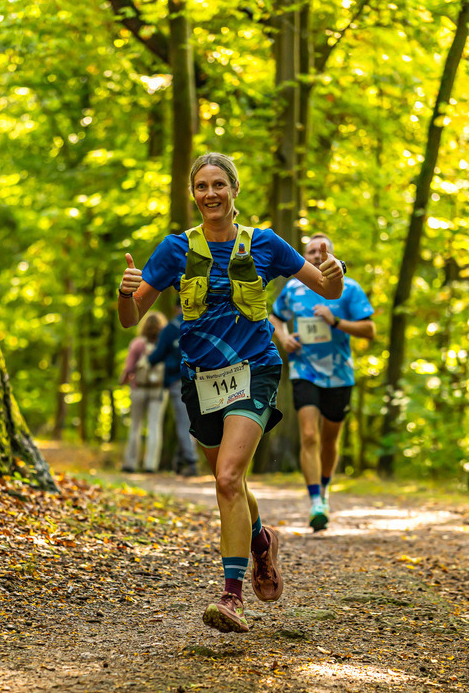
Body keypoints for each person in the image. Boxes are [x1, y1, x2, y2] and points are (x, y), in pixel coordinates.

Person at [117, 152, 344, 633]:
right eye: (201, 186)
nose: (211, 194)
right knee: (231, 484)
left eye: (219, 184)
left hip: (254, 369)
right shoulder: (175, 249)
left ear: (234, 190)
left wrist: (336, 273)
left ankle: (231, 596)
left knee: (226, 479)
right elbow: (130, 318)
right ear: (193, 195)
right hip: (200, 379)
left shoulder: (265, 244)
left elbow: (324, 289)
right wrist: (124, 291)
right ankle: (261, 542)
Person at [270, 232, 375, 531]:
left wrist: (336, 321)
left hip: (340, 375)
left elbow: (369, 330)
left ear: (330, 254)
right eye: (311, 251)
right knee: (309, 436)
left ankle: (325, 490)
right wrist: (284, 337)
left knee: (329, 438)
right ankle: (315, 501)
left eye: (322, 250)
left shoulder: (350, 289)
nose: (317, 255)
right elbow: (276, 317)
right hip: (304, 370)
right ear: (304, 256)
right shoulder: (292, 288)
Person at [147, 299, 199, 477]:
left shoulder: (170, 329)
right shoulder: (200, 324)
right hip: (203, 379)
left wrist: (148, 360)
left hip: (179, 380)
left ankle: (191, 462)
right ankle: (180, 461)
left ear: (176, 307)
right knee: (193, 420)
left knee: (184, 422)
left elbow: (157, 355)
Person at [119, 311, 168, 474]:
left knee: (135, 426)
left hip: (139, 388)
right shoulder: (164, 343)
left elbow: (129, 368)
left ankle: (130, 463)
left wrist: (123, 380)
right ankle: (150, 465)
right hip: (158, 389)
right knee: (155, 426)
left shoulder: (138, 343)